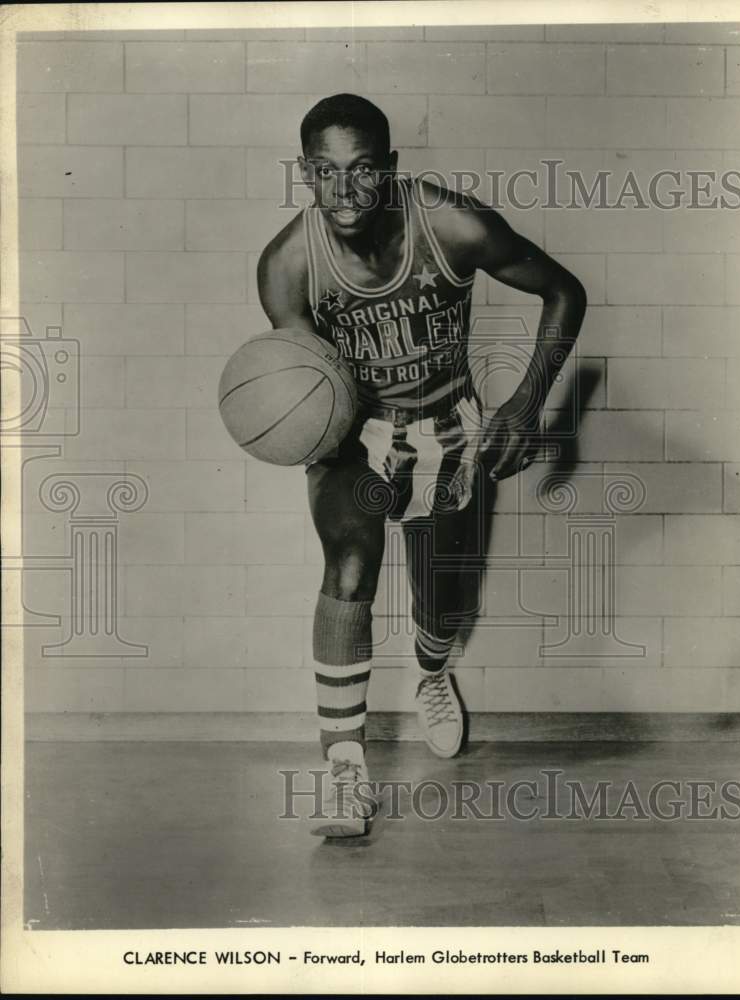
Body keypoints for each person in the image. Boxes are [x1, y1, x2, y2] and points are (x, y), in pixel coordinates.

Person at [257, 93, 586, 837]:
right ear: (305, 173)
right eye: (325, 172)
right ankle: (345, 772)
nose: (344, 191)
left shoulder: (448, 223)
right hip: (356, 434)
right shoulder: (284, 265)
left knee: (440, 608)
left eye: (362, 171)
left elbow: (564, 290)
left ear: (391, 169)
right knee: (348, 560)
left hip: (448, 430)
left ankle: (433, 673)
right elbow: (303, 388)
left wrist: (527, 406)